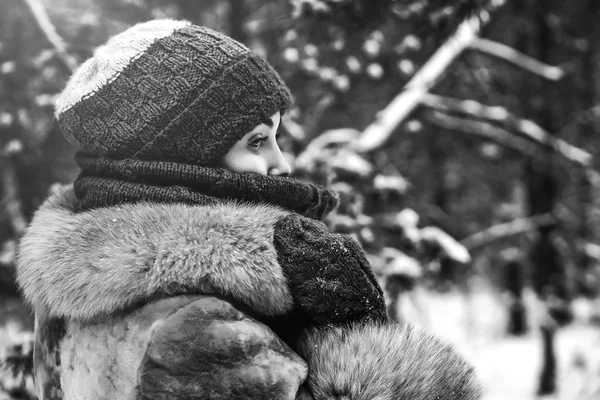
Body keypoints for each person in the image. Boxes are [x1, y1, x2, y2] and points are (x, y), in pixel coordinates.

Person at [16, 19, 480, 400]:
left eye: (278, 137)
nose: (282, 163)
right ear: (181, 157)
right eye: (256, 141)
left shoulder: (78, 294)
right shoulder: (196, 330)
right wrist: (358, 339)